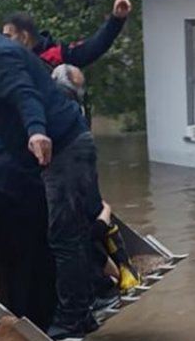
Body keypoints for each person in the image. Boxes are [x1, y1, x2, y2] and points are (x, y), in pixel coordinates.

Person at [0, 8, 104, 341]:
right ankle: (80, 313)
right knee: (65, 233)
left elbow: (24, 95)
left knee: (64, 234)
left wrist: (36, 131)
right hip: (64, 146)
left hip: (65, 147)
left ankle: (74, 317)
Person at [52, 64, 140, 295]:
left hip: (77, 205)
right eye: (77, 86)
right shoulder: (70, 113)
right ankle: (122, 271)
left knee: (95, 225)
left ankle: (121, 272)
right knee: (98, 221)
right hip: (80, 207)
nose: (80, 91)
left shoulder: (60, 109)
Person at [2, 0, 133, 116]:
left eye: (8, 37)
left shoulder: (55, 56)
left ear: (24, 37)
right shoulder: (8, 68)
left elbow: (94, 47)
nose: (4, 43)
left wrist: (116, 19)